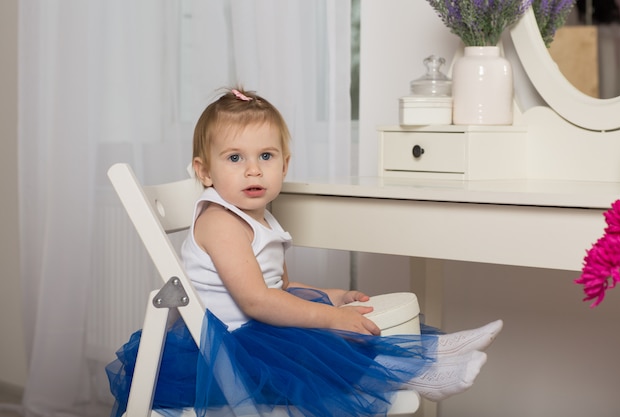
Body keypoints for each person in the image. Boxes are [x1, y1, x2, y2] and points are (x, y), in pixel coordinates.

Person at [107, 87, 502, 417]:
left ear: (284, 164)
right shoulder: (221, 222)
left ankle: (437, 351)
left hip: (254, 329)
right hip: (226, 348)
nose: (253, 170)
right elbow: (257, 300)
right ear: (205, 172)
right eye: (234, 158)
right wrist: (330, 316)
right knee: (328, 342)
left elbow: (284, 285)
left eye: (266, 156)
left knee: (344, 325)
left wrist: (334, 297)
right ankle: (425, 370)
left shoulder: (260, 219)